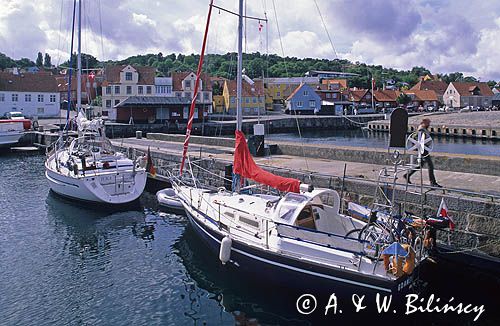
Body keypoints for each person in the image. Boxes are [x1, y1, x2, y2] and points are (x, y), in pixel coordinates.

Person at [403, 118, 442, 188]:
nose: (429, 124)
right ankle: (433, 182)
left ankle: (407, 175)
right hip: (423, 149)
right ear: (424, 122)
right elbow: (417, 139)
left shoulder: (423, 128)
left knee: (420, 165)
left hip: (423, 149)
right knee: (430, 165)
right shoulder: (421, 129)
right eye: (428, 122)